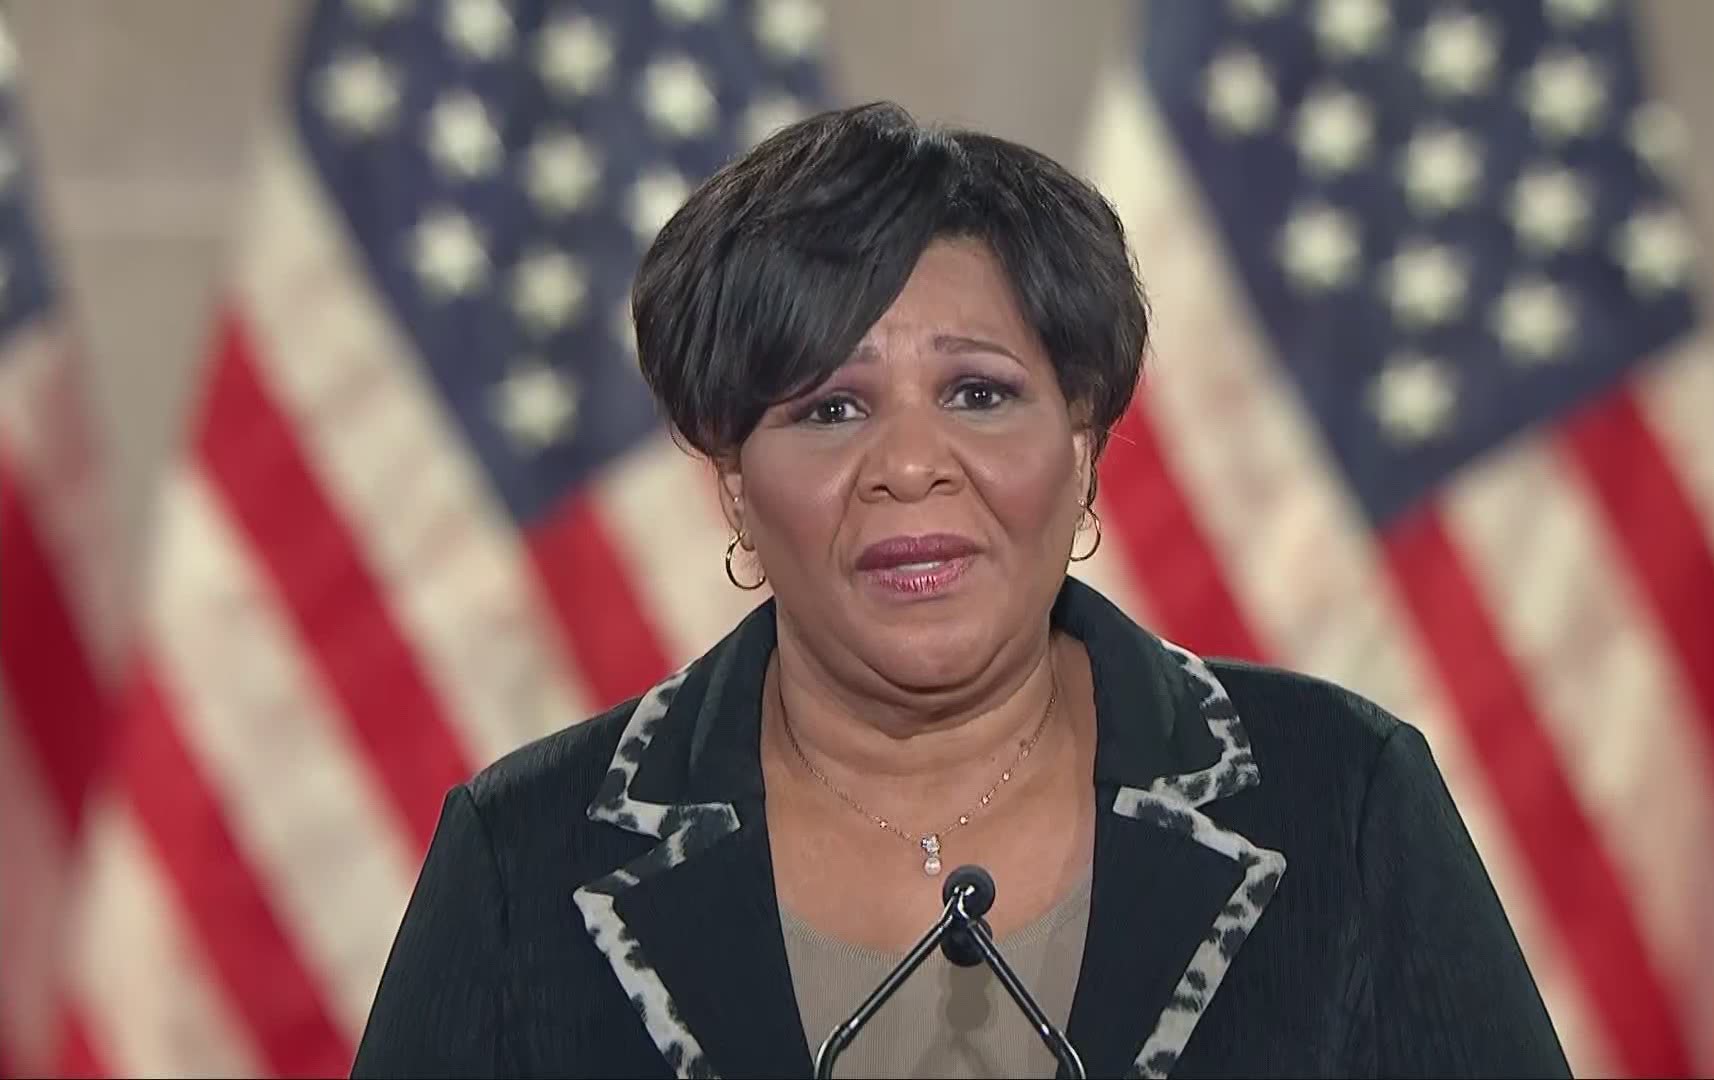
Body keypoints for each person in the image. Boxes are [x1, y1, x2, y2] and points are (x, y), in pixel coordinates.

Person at [351, 102, 1570, 1079]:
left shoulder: (1338, 804)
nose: (911, 465)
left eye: (979, 393)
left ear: (1081, 441)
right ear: (732, 483)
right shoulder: (530, 862)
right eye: (830, 409)